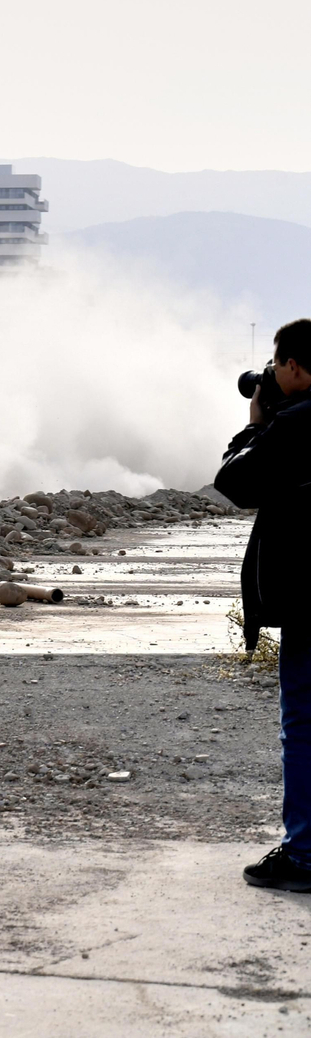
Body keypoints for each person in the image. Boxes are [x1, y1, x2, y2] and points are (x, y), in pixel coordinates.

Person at [214, 318, 311, 891]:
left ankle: (304, 856)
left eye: (276, 365)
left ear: (294, 367)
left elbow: (235, 482)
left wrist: (255, 427)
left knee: (303, 726)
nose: (271, 375)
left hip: (309, 604)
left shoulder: (298, 424)